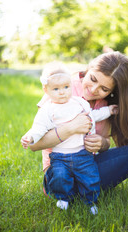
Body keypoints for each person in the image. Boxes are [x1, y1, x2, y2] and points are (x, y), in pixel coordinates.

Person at [22, 51, 128, 200]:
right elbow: (34, 144)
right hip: (62, 177)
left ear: (113, 92)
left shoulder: (106, 104)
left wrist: (102, 143)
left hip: (87, 166)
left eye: (104, 89)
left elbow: (106, 143)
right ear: (88, 69)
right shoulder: (61, 86)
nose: (94, 89)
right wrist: (71, 128)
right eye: (93, 78)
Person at [21, 62, 118, 214]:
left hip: (82, 153)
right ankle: (63, 198)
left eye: (66, 87)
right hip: (60, 156)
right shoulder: (47, 110)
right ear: (46, 90)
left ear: (71, 85)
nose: (62, 92)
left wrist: (109, 110)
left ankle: (91, 202)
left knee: (90, 177)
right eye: (56, 89)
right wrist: (30, 137)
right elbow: (39, 128)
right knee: (60, 177)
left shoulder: (79, 103)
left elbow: (94, 116)